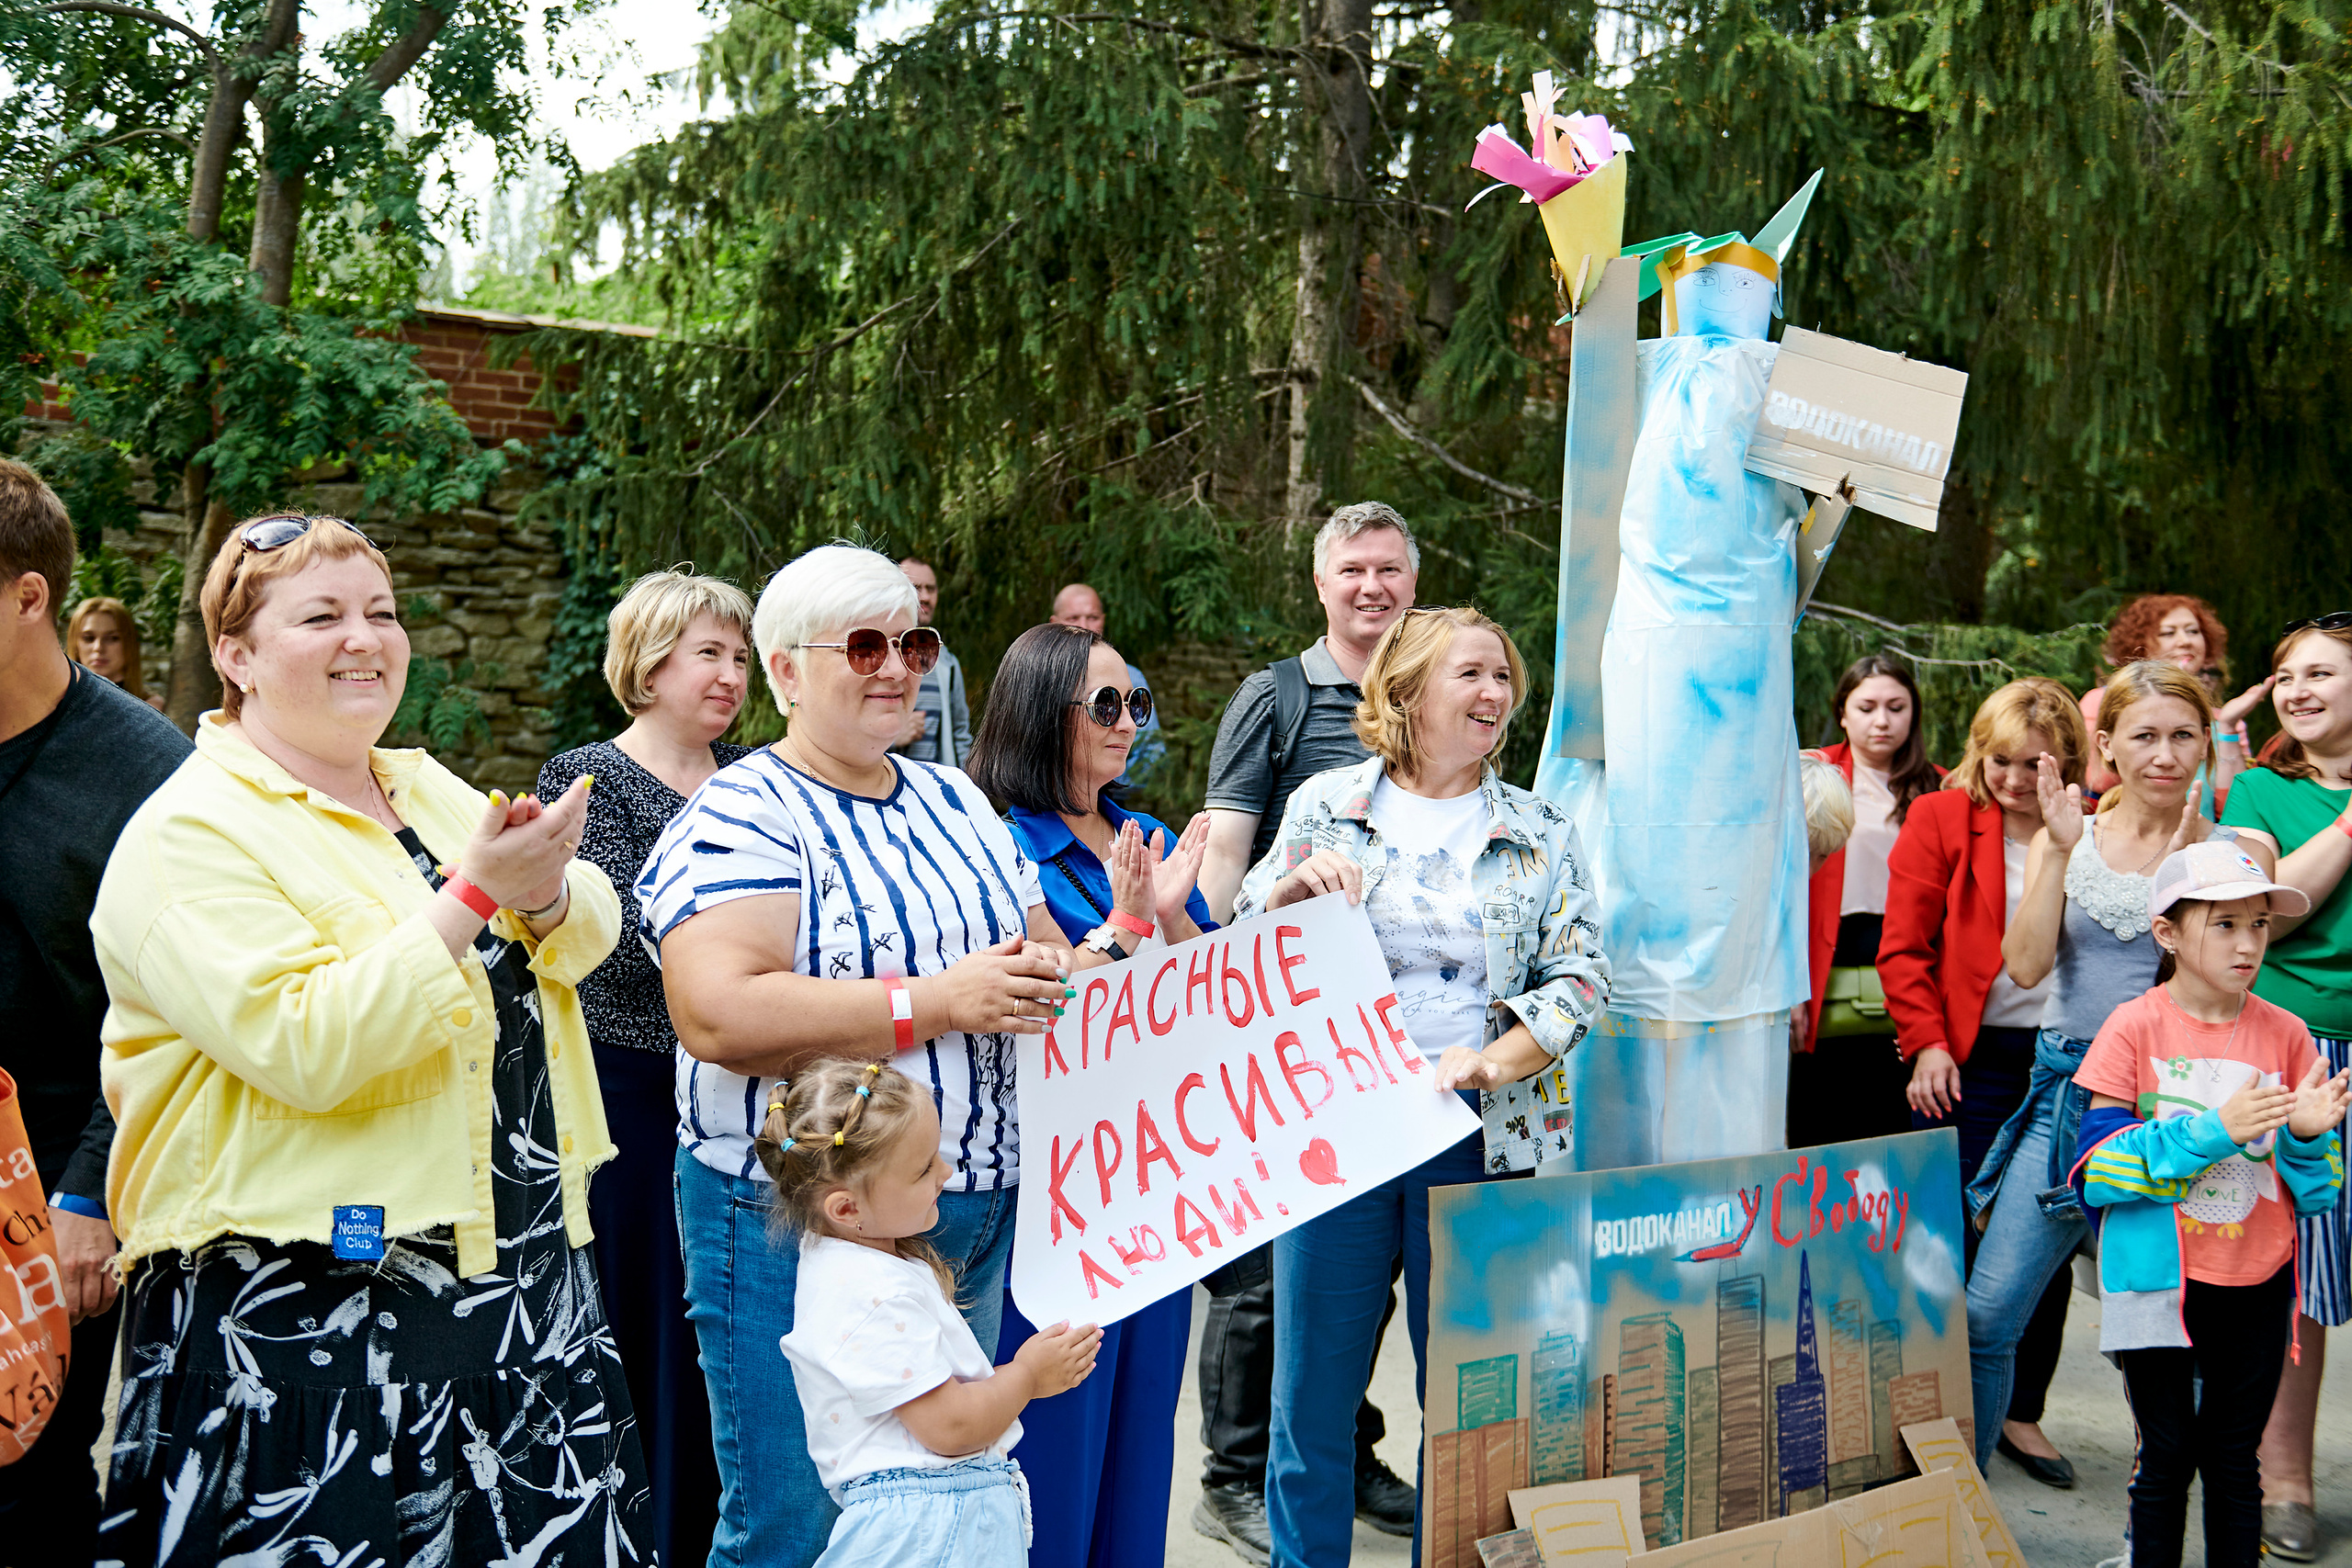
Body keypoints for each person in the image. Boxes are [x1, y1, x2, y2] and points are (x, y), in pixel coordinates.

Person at [89, 511, 651, 1562]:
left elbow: (586, 930)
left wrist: (536, 900)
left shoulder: (419, 785)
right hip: (307, 1325)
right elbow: (310, 1045)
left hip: (519, 1301)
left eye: (381, 613)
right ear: (235, 655)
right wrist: (480, 892)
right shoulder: (187, 833)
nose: (365, 638)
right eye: (322, 616)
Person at [635, 543, 1106, 1568]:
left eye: (914, 641)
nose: (898, 665)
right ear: (786, 672)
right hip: (798, 1226)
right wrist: (932, 1005)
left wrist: (1133, 944)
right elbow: (716, 1012)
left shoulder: (955, 799)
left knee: (915, 1513)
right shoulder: (745, 811)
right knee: (795, 1523)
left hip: (958, 1214)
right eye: (863, 644)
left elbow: (1044, 966)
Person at [1236, 606, 1611, 1566]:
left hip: (1479, 1137)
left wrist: (1496, 1059)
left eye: (1502, 677)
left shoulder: (1539, 826)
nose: (1494, 694)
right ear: (1405, 691)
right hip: (1336, 1131)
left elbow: (1581, 976)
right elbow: (1241, 949)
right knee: (1311, 1391)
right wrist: (1276, 897)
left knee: (1470, 1397)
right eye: (1471, 676)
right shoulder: (1323, 804)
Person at [1188, 502, 1422, 1560]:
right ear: (1320, 583)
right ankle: (1233, 1477)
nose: (1371, 588)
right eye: (1352, 572)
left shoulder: (1434, 694)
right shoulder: (1273, 698)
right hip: (1285, 1034)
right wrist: (1223, 993)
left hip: (1400, 1045)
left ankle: (1347, 1440)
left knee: (1354, 1279)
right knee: (1255, 1278)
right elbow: (1229, 851)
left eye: (1389, 571)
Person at [1961, 659, 2255, 1469]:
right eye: (2145, 735)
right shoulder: (2072, 835)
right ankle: (1972, 1510)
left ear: (2205, 744)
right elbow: (2022, 967)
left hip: (2170, 1111)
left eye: (2183, 735)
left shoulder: (2227, 848)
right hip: (2063, 1094)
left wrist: (2199, 864)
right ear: (2108, 745)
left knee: (2164, 1343)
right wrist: (2057, 850)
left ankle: (2150, 1532)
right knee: (1988, 1314)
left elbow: (2228, 987)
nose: (2164, 753)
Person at [965, 621, 1215, 1568]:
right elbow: (1037, 995)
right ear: (1040, 713)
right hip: (1055, 1192)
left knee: (1141, 1450)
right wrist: (1126, 921)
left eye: (1136, 704)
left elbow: (1214, 996)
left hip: (1162, 1184)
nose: (1126, 723)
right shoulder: (991, 841)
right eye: (1104, 705)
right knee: (1055, 1460)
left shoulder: (1143, 834)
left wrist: (1176, 910)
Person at [538, 567, 752, 1566]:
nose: (731, 674)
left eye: (742, 657)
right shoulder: (585, 779)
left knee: (733, 1349)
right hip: (631, 1099)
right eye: (709, 652)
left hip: (758, 1097)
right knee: (648, 1334)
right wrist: (750, 946)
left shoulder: (762, 781)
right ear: (649, 663)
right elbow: (615, 939)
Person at [0, 460, 189, 1561]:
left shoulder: (148, 775)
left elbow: (172, 1011)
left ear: (32, 598)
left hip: (59, 1176)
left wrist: (91, 1183)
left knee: (25, 1479)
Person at [2072, 840, 2346, 1568]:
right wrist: (2213, 1130)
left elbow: (2315, 1194)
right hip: (2157, 1281)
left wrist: (2308, 1138)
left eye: (2258, 923)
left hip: (2257, 1283)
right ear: (2168, 932)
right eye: (2224, 924)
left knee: (2233, 1459)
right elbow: (2097, 1170)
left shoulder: (2286, 1031)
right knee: (2166, 1457)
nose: (2248, 942)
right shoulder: (2133, 1025)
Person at [1878, 678, 2090, 1488]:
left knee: (2049, 1238)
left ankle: (2020, 1411)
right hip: (1976, 1056)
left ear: (2067, 760)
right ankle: (1939, 1413)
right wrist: (1927, 1044)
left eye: (2033, 762)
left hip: (2069, 1057)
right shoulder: (1940, 817)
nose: (2011, 778)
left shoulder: (2094, 827)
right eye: (1998, 760)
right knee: (1959, 1232)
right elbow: (1904, 947)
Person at [766, 1059, 1102, 1568]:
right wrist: (1029, 1375)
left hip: (935, 1522)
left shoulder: (853, 1265)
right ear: (847, 1209)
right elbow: (948, 1426)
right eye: (924, 1168)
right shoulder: (870, 1294)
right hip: (931, 1531)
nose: (945, 1174)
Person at [2222, 613, 2352, 1562]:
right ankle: (2287, 1482)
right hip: (2302, 1057)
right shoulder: (2258, 791)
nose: (2297, 690)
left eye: (2320, 674)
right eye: (2284, 676)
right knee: (2301, 1272)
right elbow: (2265, 908)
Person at [1792, 654, 1942, 1147]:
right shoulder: (1809, 775)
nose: (1882, 720)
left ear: (1914, 713)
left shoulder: (1941, 787)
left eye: (1897, 707)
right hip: (1826, 954)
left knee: (1895, 1115)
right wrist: (1789, 982)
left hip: (1910, 962)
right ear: (1842, 712)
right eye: (1867, 706)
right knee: (1821, 1114)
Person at [2081, 593, 2271, 806]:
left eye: (2193, 631)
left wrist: (2227, 729)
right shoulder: (2101, 700)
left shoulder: (2223, 719)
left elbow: (2233, 808)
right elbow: (2098, 780)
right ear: (2139, 644)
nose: (2185, 642)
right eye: (2168, 633)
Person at [1051, 581, 1164, 789]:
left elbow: (1152, 750)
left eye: (1092, 618)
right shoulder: (1042, 676)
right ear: (1054, 622)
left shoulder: (1131, 678)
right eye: (1073, 618)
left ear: (1102, 621)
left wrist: (1107, 784)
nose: (1083, 625)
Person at [894, 557, 972, 769]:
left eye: (931, 589)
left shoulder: (947, 663)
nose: (926, 597)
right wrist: (893, 738)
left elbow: (960, 735)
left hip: (934, 793)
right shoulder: (877, 659)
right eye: (916, 588)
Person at [65, 593, 165, 710]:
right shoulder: (56, 701)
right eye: (89, 638)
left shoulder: (150, 706)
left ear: (129, 643)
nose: (98, 647)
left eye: (113, 638)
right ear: (75, 644)